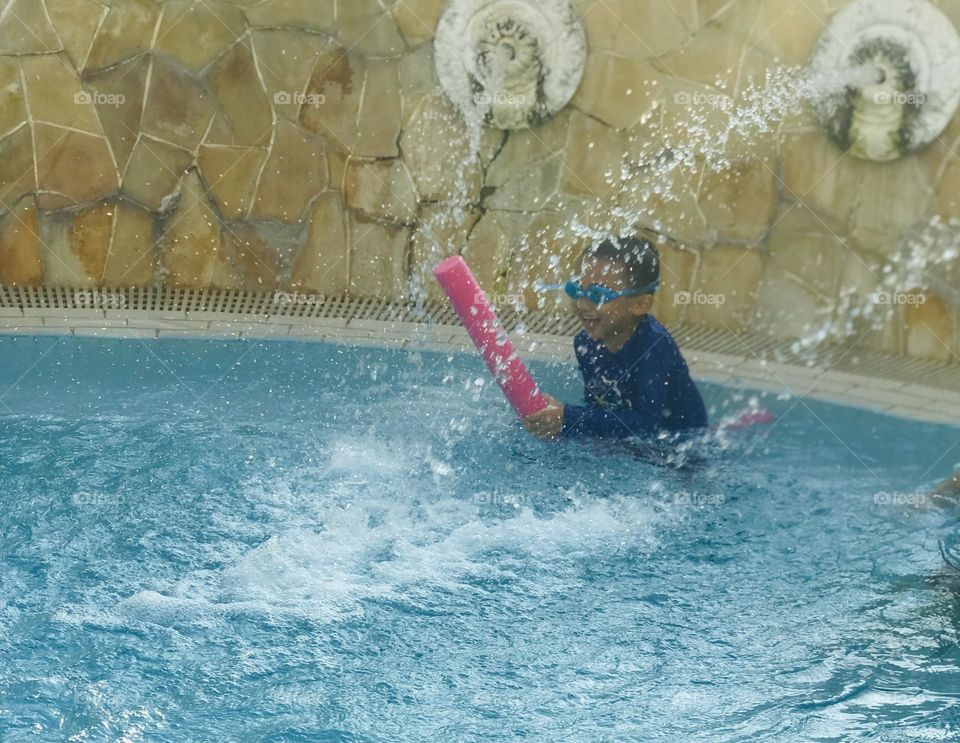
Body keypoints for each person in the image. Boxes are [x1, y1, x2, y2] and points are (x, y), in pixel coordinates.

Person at [524, 236, 708, 441]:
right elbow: (597, 406)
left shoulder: (654, 346)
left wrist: (569, 417)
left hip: (683, 446)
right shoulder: (585, 344)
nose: (582, 304)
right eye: (577, 290)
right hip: (636, 442)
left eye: (598, 296)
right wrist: (558, 423)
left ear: (640, 304)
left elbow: (645, 424)